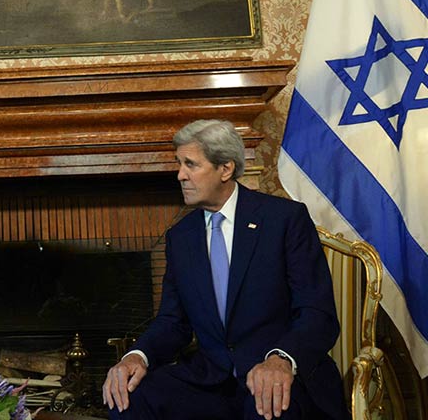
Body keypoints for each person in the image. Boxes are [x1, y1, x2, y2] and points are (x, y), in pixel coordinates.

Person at [102, 120, 348, 420]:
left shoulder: (283, 219)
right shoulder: (181, 236)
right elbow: (172, 322)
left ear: (226, 169)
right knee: (128, 397)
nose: (180, 175)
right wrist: (135, 357)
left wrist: (281, 359)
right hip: (211, 379)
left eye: (191, 164)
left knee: (269, 406)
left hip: (277, 374)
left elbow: (317, 313)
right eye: (179, 164)